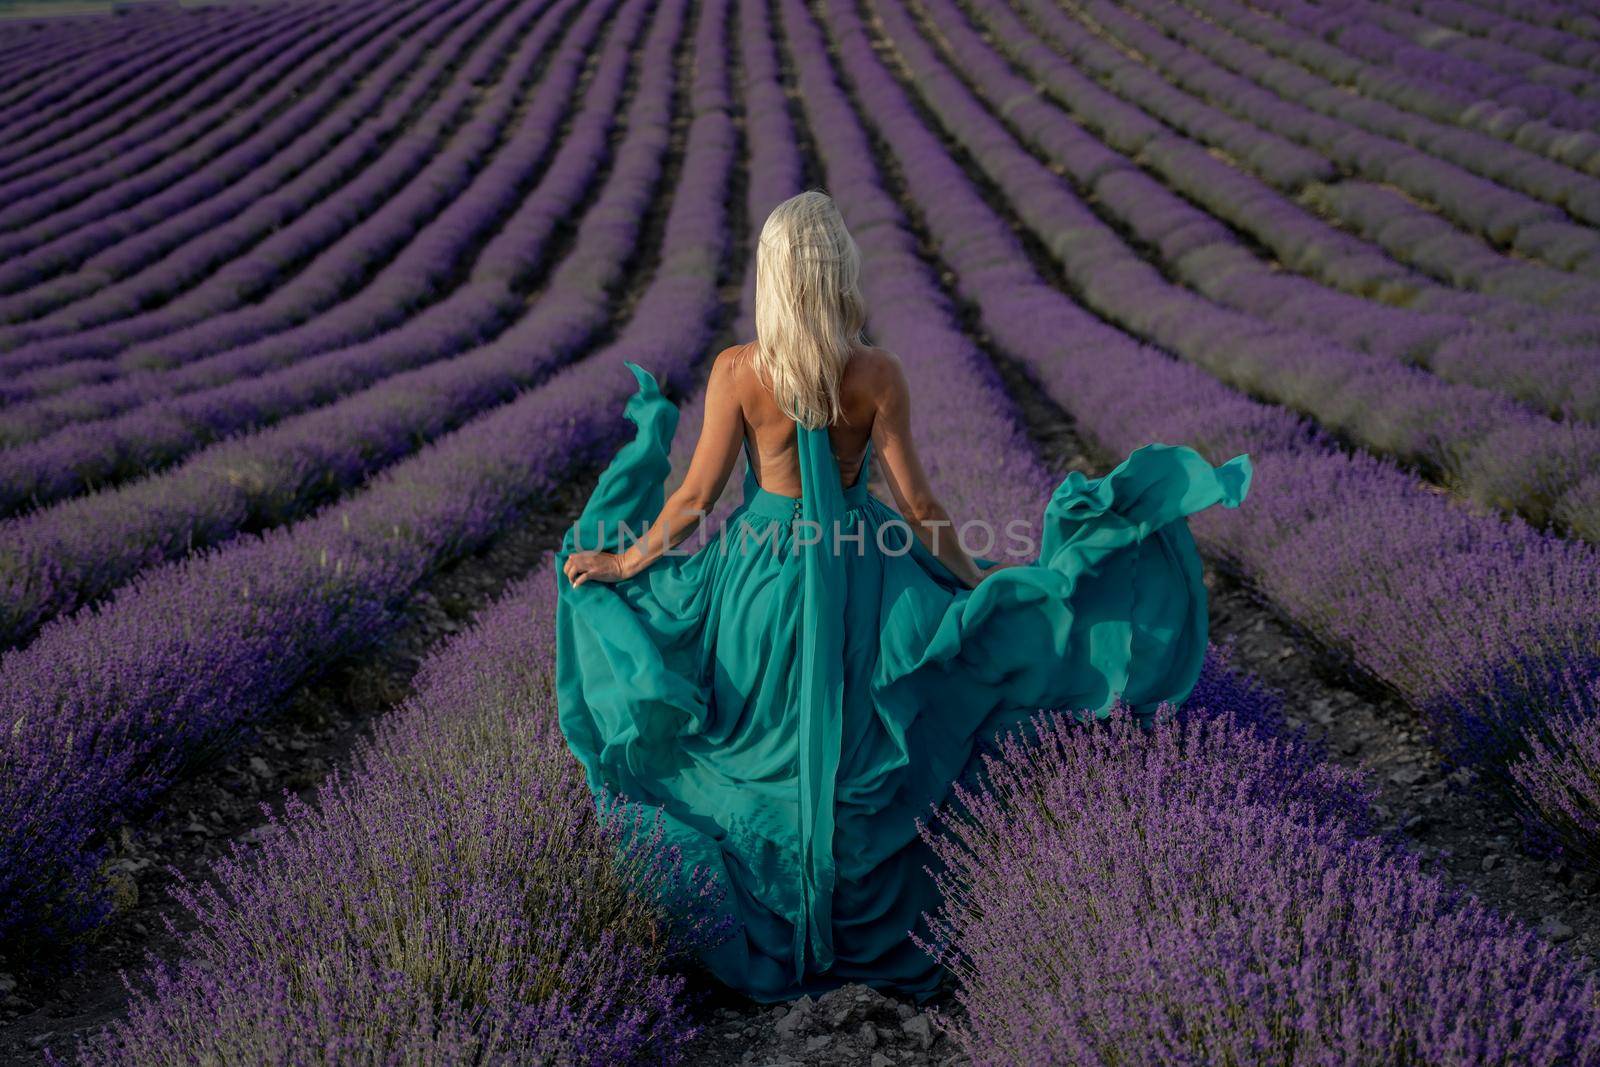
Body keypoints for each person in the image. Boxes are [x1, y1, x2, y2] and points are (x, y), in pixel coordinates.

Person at [554, 190, 1251, 1003]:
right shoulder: (875, 373)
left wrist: (626, 560)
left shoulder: (739, 372)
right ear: (840, 269)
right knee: (875, 735)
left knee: (748, 741)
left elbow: (693, 502)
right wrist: (982, 583)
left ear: (772, 277)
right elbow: (918, 509)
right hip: (861, 569)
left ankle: (769, 901)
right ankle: (861, 914)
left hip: (759, 584)